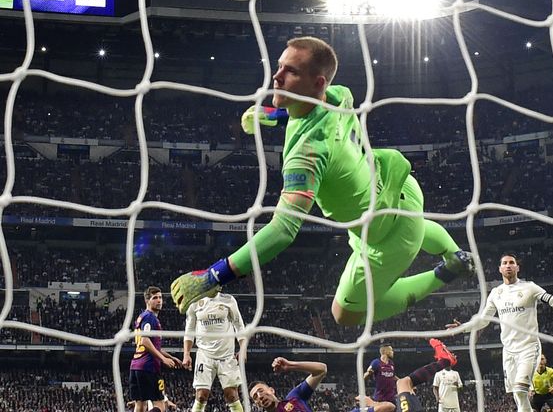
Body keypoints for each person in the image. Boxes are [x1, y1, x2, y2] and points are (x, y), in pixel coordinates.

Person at [171, 36, 473, 325]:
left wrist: (214, 276)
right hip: (401, 184)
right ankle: (454, 250)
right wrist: (273, 115)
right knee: (410, 218)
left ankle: (446, 271)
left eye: (291, 72)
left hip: (388, 236)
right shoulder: (340, 93)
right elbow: (310, 107)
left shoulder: (308, 154)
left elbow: (282, 231)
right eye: (279, 67)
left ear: (317, 82)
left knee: (345, 314)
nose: (276, 77)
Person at [447, 252, 553, 412]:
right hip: (508, 351)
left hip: (529, 348)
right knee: (517, 395)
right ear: (499, 269)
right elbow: (484, 320)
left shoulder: (529, 287)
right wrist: (463, 327)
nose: (508, 265)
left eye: (511, 262)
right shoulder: (496, 293)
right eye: (505, 263)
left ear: (517, 267)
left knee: (521, 390)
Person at [182, 291, 247, 412]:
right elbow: (189, 330)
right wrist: (186, 354)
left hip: (227, 356)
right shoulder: (194, 302)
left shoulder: (229, 300)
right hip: (204, 355)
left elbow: (239, 325)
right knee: (201, 395)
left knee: (232, 395)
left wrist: (243, 349)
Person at [129, 286, 182, 412]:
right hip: (149, 367)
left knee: (140, 405)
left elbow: (153, 346)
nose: (159, 300)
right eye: (155, 298)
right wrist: (163, 359)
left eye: (160, 297)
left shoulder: (142, 316)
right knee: (160, 405)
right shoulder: (150, 318)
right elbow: (145, 341)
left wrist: (171, 357)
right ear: (147, 301)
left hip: (136, 366)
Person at [249, 357, 328, 411]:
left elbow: (321, 370)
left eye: (261, 391)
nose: (260, 396)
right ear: (257, 404)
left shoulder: (294, 398)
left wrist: (290, 365)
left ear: (271, 390)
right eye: (255, 397)